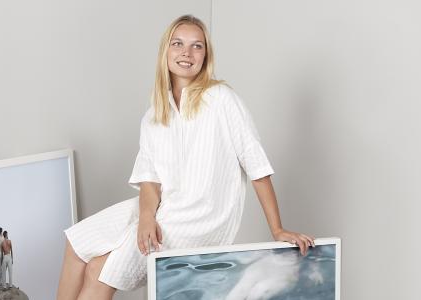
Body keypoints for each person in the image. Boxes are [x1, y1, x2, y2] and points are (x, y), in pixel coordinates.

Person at [56, 15, 314, 300]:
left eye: (197, 46)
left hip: (199, 220)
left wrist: (276, 229)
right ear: (165, 51)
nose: (186, 53)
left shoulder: (222, 99)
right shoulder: (154, 115)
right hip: (164, 206)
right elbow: (150, 181)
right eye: (178, 44)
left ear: (206, 56)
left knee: (98, 269)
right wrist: (145, 217)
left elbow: (257, 166)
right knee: (76, 242)